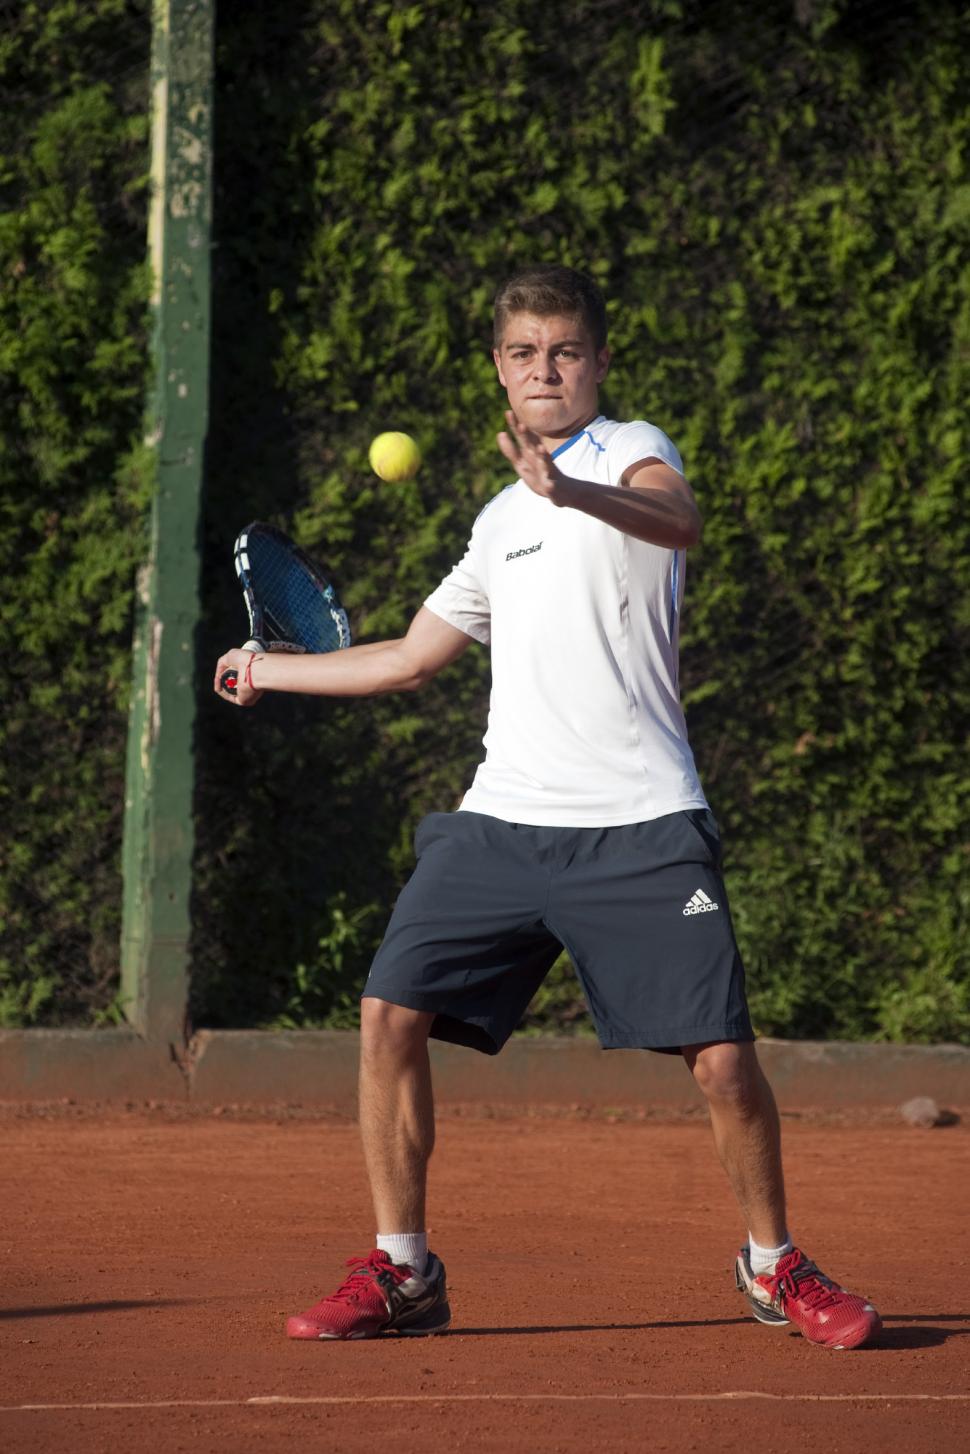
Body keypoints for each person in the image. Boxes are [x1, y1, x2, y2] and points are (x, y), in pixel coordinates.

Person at [215, 264, 881, 1351]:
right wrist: (265, 670)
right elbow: (409, 658)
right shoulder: (495, 524)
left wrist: (574, 491)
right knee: (388, 1015)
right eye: (524, 353)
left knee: (721, 1061)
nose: (545, 370)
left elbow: (678, 520)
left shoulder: (630, 451)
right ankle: (403, 1269)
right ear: (498, 368)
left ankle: (774, 1265)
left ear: (598, 361)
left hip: (643, 822)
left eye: (565, 350)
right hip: (502, 820)